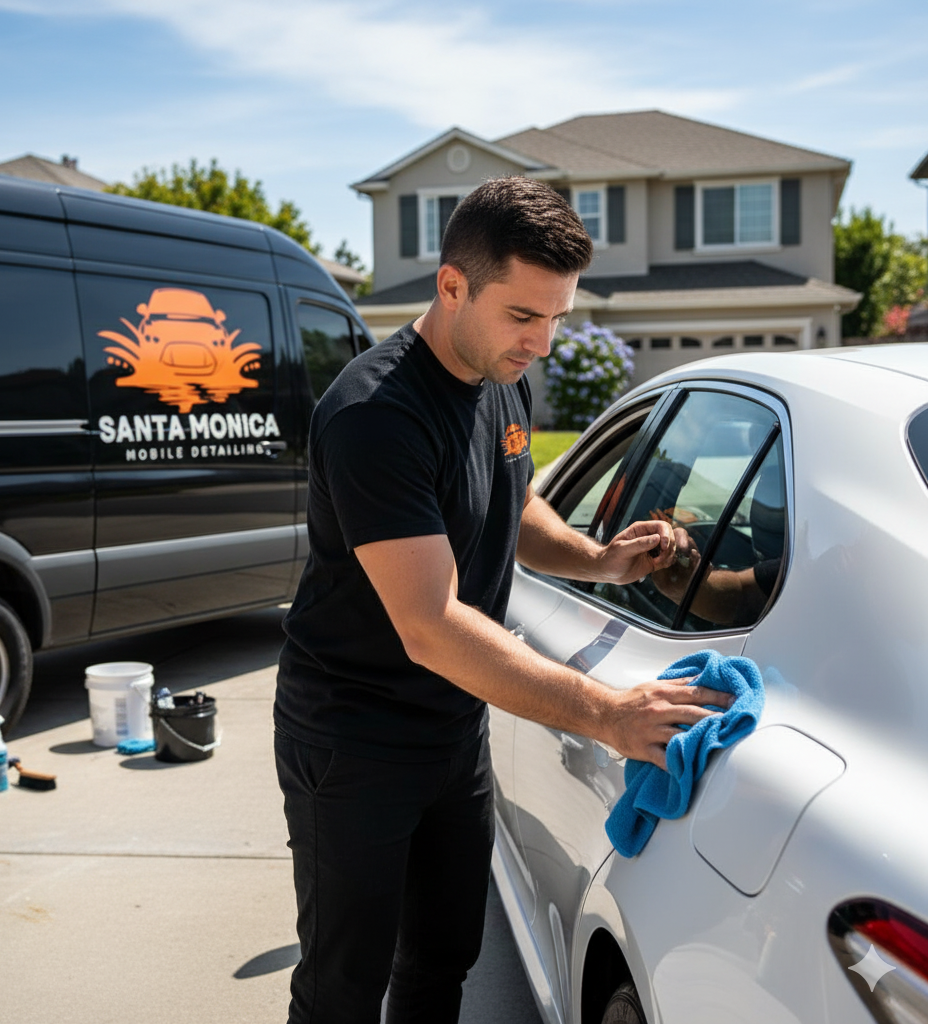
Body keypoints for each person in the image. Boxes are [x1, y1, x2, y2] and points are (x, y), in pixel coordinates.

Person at [273, 176, 732, 1024]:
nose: (544, 344)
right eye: (525, 316)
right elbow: (432, 625)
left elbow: (512, 504)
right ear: (452, 286)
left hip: (454, 730)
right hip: (353, 737)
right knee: (344, 982)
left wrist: (599, 559)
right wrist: (604, 712)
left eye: (557, 317)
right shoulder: (375, 416)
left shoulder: (500, 376)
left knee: (442, 958)